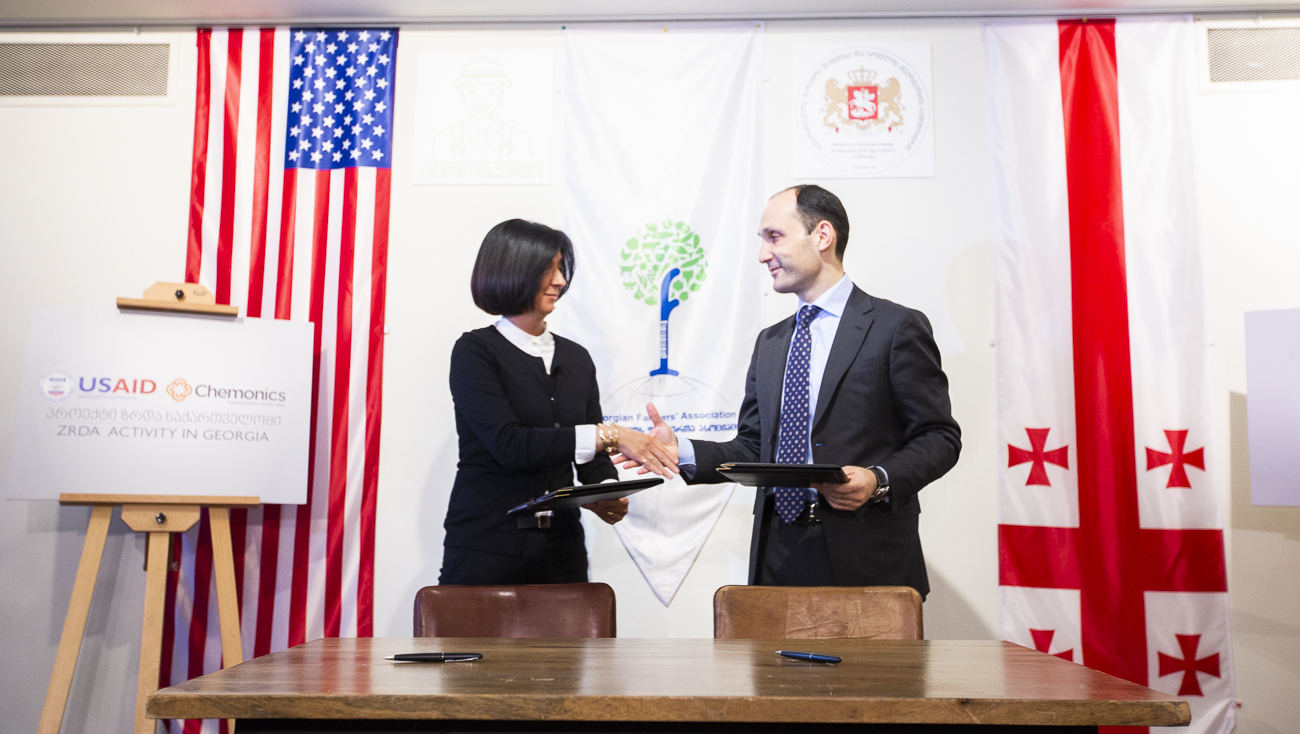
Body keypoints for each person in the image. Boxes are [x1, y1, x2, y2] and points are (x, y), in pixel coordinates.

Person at [621, 185, 960, 598]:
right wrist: (682, 451)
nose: (762, 254)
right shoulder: (771, 342)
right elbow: (753, 448)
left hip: (868, 555)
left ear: (822, 236)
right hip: (777, 554)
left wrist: (878, 480)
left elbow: (939, 437)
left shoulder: (894, 327)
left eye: (774, 237)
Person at [440, 219, 677, 585]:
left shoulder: (576, 357)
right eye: (548, 269)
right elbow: (510, 445)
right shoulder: (475, 352)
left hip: (562, 550)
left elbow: (591, 455)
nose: (560, 281)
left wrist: (606, 491)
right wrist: (612, 435)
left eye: (561, 269)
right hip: (487, 548)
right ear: (512, 271)